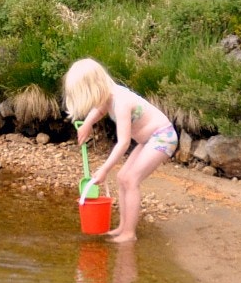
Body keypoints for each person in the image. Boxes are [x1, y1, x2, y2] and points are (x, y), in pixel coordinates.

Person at [65, 58, 176, 243]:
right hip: (148, 139)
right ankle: (123, 227)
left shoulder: (122, 102)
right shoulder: (108, 95)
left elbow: (123, 143)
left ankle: (129, 233)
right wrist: (87, 124)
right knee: (122, 177)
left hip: (162, 137)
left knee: (131, 179)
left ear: (93, 87)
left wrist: (104, 169)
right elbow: (100, 109)